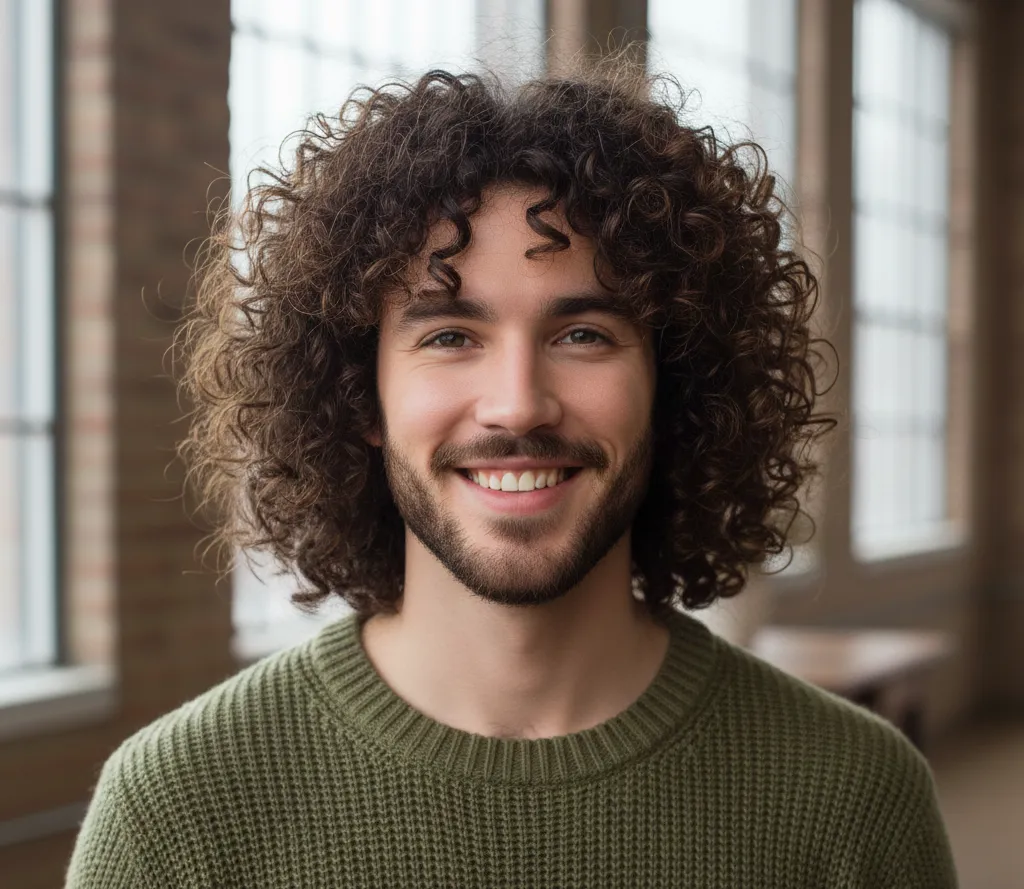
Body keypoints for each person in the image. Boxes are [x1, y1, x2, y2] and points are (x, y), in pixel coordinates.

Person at [67, 62, 958, 888]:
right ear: (359, 397)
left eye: (583, 335)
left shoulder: (855, 797)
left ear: (673, 385)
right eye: (450, 335)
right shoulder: (175, 813)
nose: (518, 404)